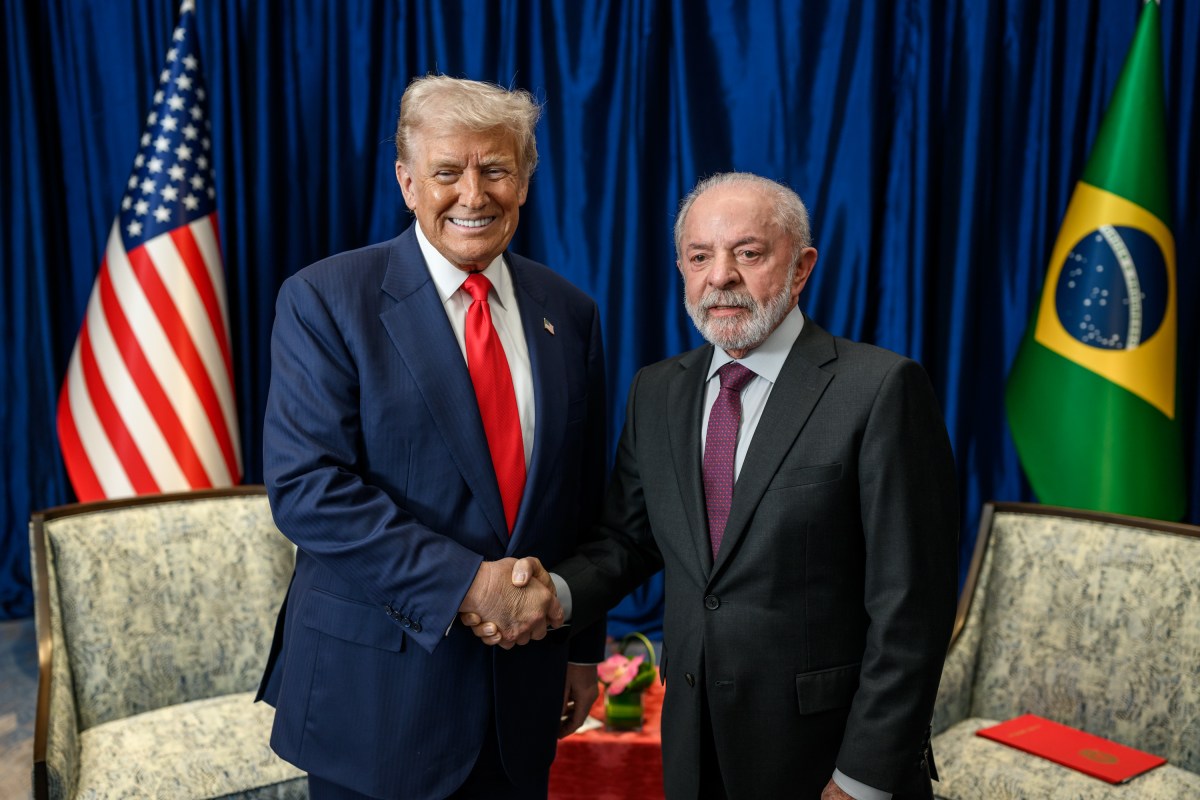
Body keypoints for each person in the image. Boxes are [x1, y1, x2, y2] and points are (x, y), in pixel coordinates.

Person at [469, 172, 959, 799]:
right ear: (682, 268)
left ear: (801, 267)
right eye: (700, 256)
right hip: (694, 750)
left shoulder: (880, 389)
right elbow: (627, 539)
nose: (720, 276)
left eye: (749, 254)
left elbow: (911, 610)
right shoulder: (658, 391)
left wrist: (863, 779)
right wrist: (552, 594)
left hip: (826, 760)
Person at [256, 75, 607, 800]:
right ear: (407, 181)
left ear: (525, 180)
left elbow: (583, 497)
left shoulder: (568, 313)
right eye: (448, 171)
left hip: (524, 698)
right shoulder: (326, 299)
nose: (473, 195)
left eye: (496, 170)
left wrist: (580, 649)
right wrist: (466, 584)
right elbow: (308, 490)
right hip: (380, 699)